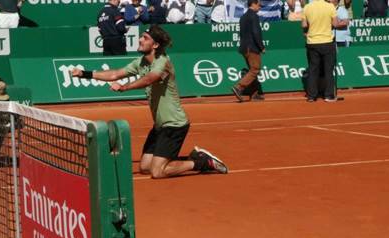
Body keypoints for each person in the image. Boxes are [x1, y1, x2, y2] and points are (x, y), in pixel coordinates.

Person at [71, 25, 228, 179]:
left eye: (145, 38)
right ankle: (186, 158)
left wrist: (125, 87)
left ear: (155, 45)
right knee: (145, 167)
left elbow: (149, 79)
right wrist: (84, 74)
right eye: (141, 37)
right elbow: (115, 74)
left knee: (157, 172)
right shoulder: (140, 62)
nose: (140, 40)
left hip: (174, 124)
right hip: (160, 125)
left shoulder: (163, 62)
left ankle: (201, 162)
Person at [302, 0, 348, 102]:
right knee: (328, 70)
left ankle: (311, 96)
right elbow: (335, 24)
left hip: (312, 42)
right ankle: (328, 95)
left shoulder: (307, 7)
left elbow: (304, 25)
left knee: (313, 70)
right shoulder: (330, 7)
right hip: (327, 42)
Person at [231, 0, 265, 102]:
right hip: (252, 48)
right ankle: (239, 87)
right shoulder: (254, 16)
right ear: (253, 4)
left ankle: (254, 94)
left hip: (244, 48)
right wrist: (261, 46)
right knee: (255, 69)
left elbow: (242, 34)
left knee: (252, 69)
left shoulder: (243, 17)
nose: (260, 7)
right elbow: (256, 33)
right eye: (259, 5)